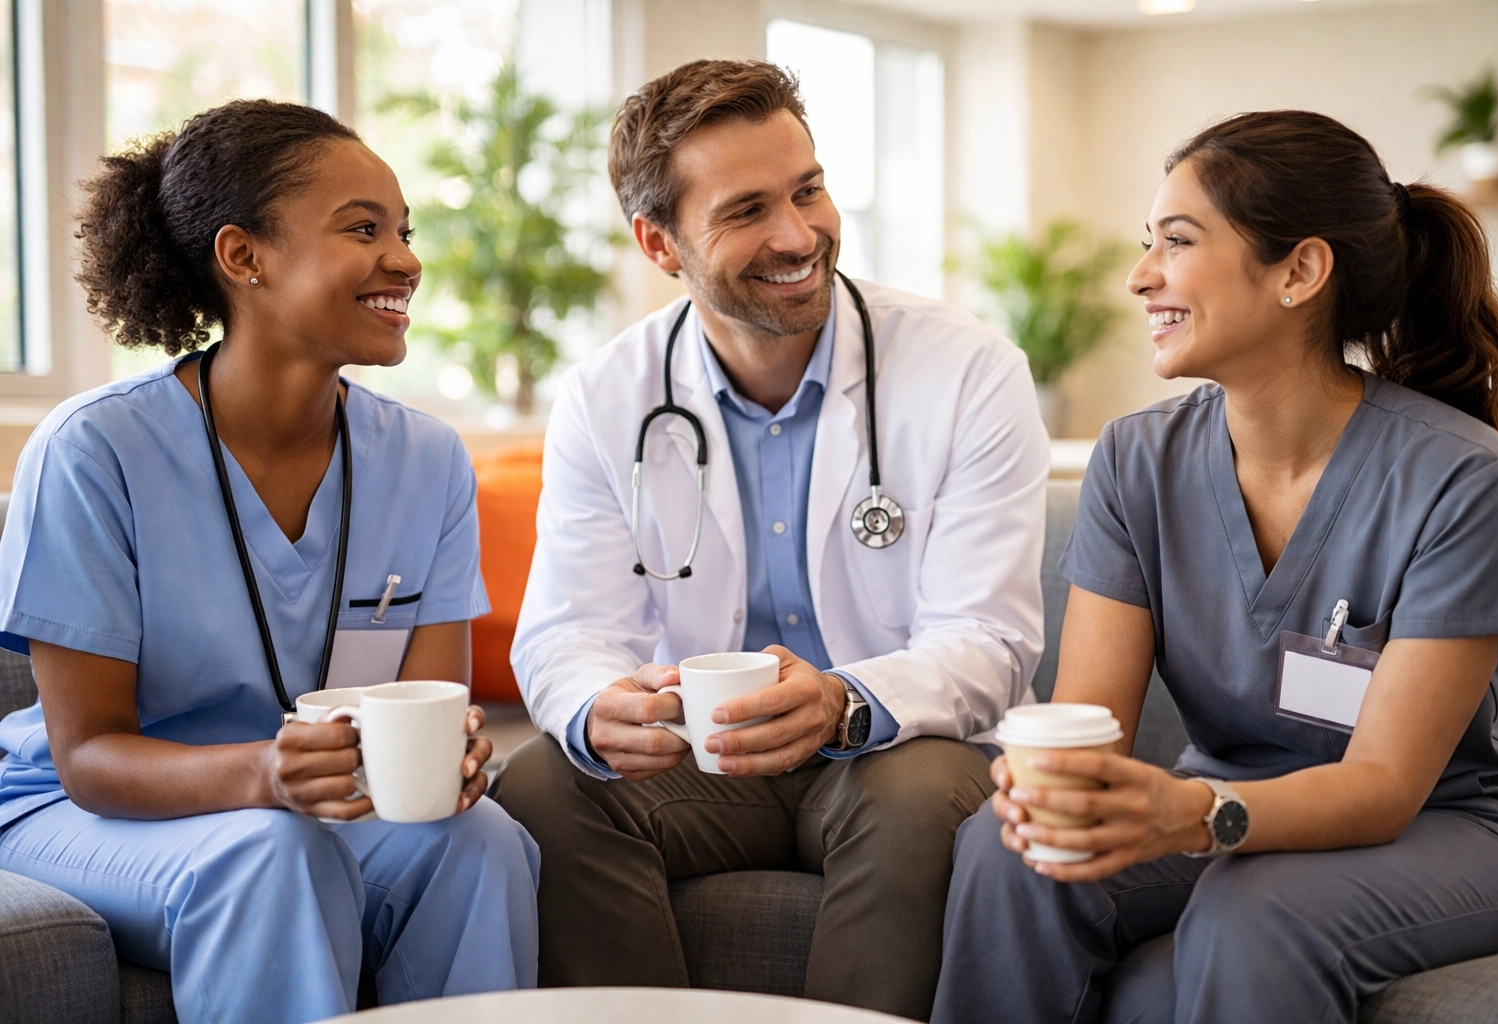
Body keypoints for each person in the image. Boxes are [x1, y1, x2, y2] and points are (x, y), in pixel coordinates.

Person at [931, 109, 1498, 1024]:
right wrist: (1043, 781)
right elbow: (1086, 722)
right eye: (1148, 244)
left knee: (1255, 912)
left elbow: (1383, 785)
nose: (1139, 278)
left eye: (1176, 242)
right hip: (1223, 792)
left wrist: (1194, 812)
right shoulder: (1138, 460)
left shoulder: (1462, 479)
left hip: (1451, 820)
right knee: (1006, 851)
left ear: (1300, 271)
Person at [491, 60, 1049, 1020]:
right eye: (747, 210)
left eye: (809, 190)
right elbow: (566, 629)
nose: (799, 235)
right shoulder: (607, 395)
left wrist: (845, 700)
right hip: (708, 765)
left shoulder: (968, 370)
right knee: (546, 782)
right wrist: (594, 708)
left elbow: (989, 640)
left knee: (912, 795)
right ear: (659, 244)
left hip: (899, 747)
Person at [0, 100, 539, 1024]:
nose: (405, 259)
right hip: (92, 810)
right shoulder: (95, 451)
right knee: (272, 854)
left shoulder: (426, 457)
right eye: (362, 229)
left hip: (299, 807)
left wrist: (452, 759)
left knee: (480, 839)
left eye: (403, 231)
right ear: (244, 258)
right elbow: (89, 756)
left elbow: (433, 710)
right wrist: (265, 776)